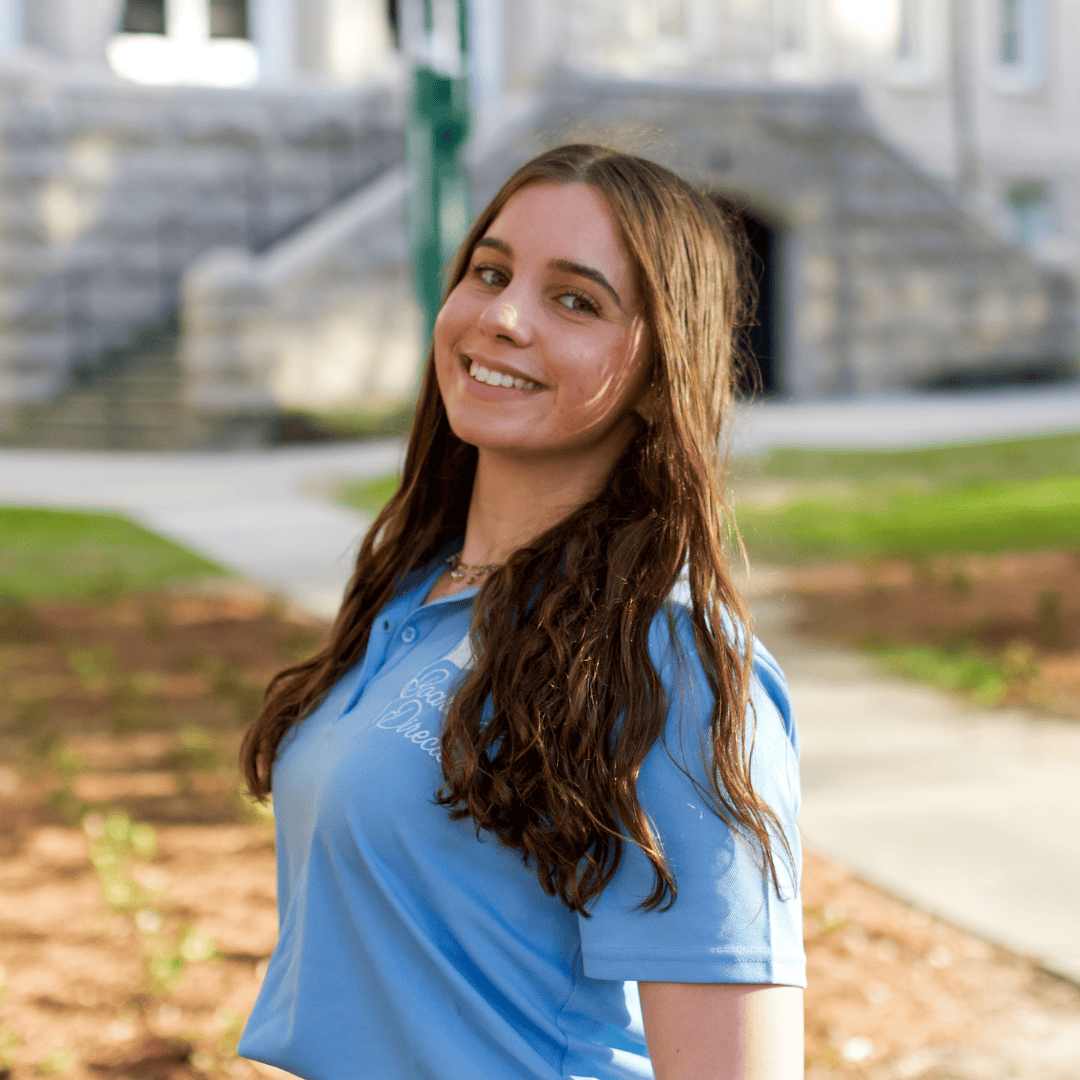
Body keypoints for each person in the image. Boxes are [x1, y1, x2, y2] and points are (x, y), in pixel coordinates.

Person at [237, 144, 804, 1080]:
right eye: (490, 272)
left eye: (575, 300)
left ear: (664, 371)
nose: (501, 317)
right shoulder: (413, 594)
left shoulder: (673, 660)